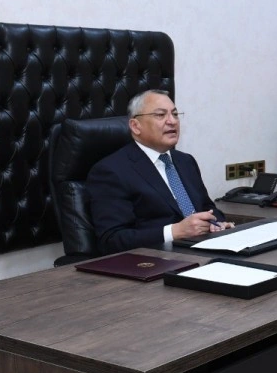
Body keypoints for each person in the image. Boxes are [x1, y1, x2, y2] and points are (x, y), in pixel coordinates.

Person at [87, 90, 229, 254]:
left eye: (175, 114)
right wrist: (174, 232)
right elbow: (112, 240)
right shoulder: (110, 171)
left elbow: (207, 207)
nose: (172, 121)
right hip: (154, 259)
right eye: (161, 115)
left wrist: (216, 223)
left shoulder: (186, 161)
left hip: (202, 250)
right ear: (135, 126)